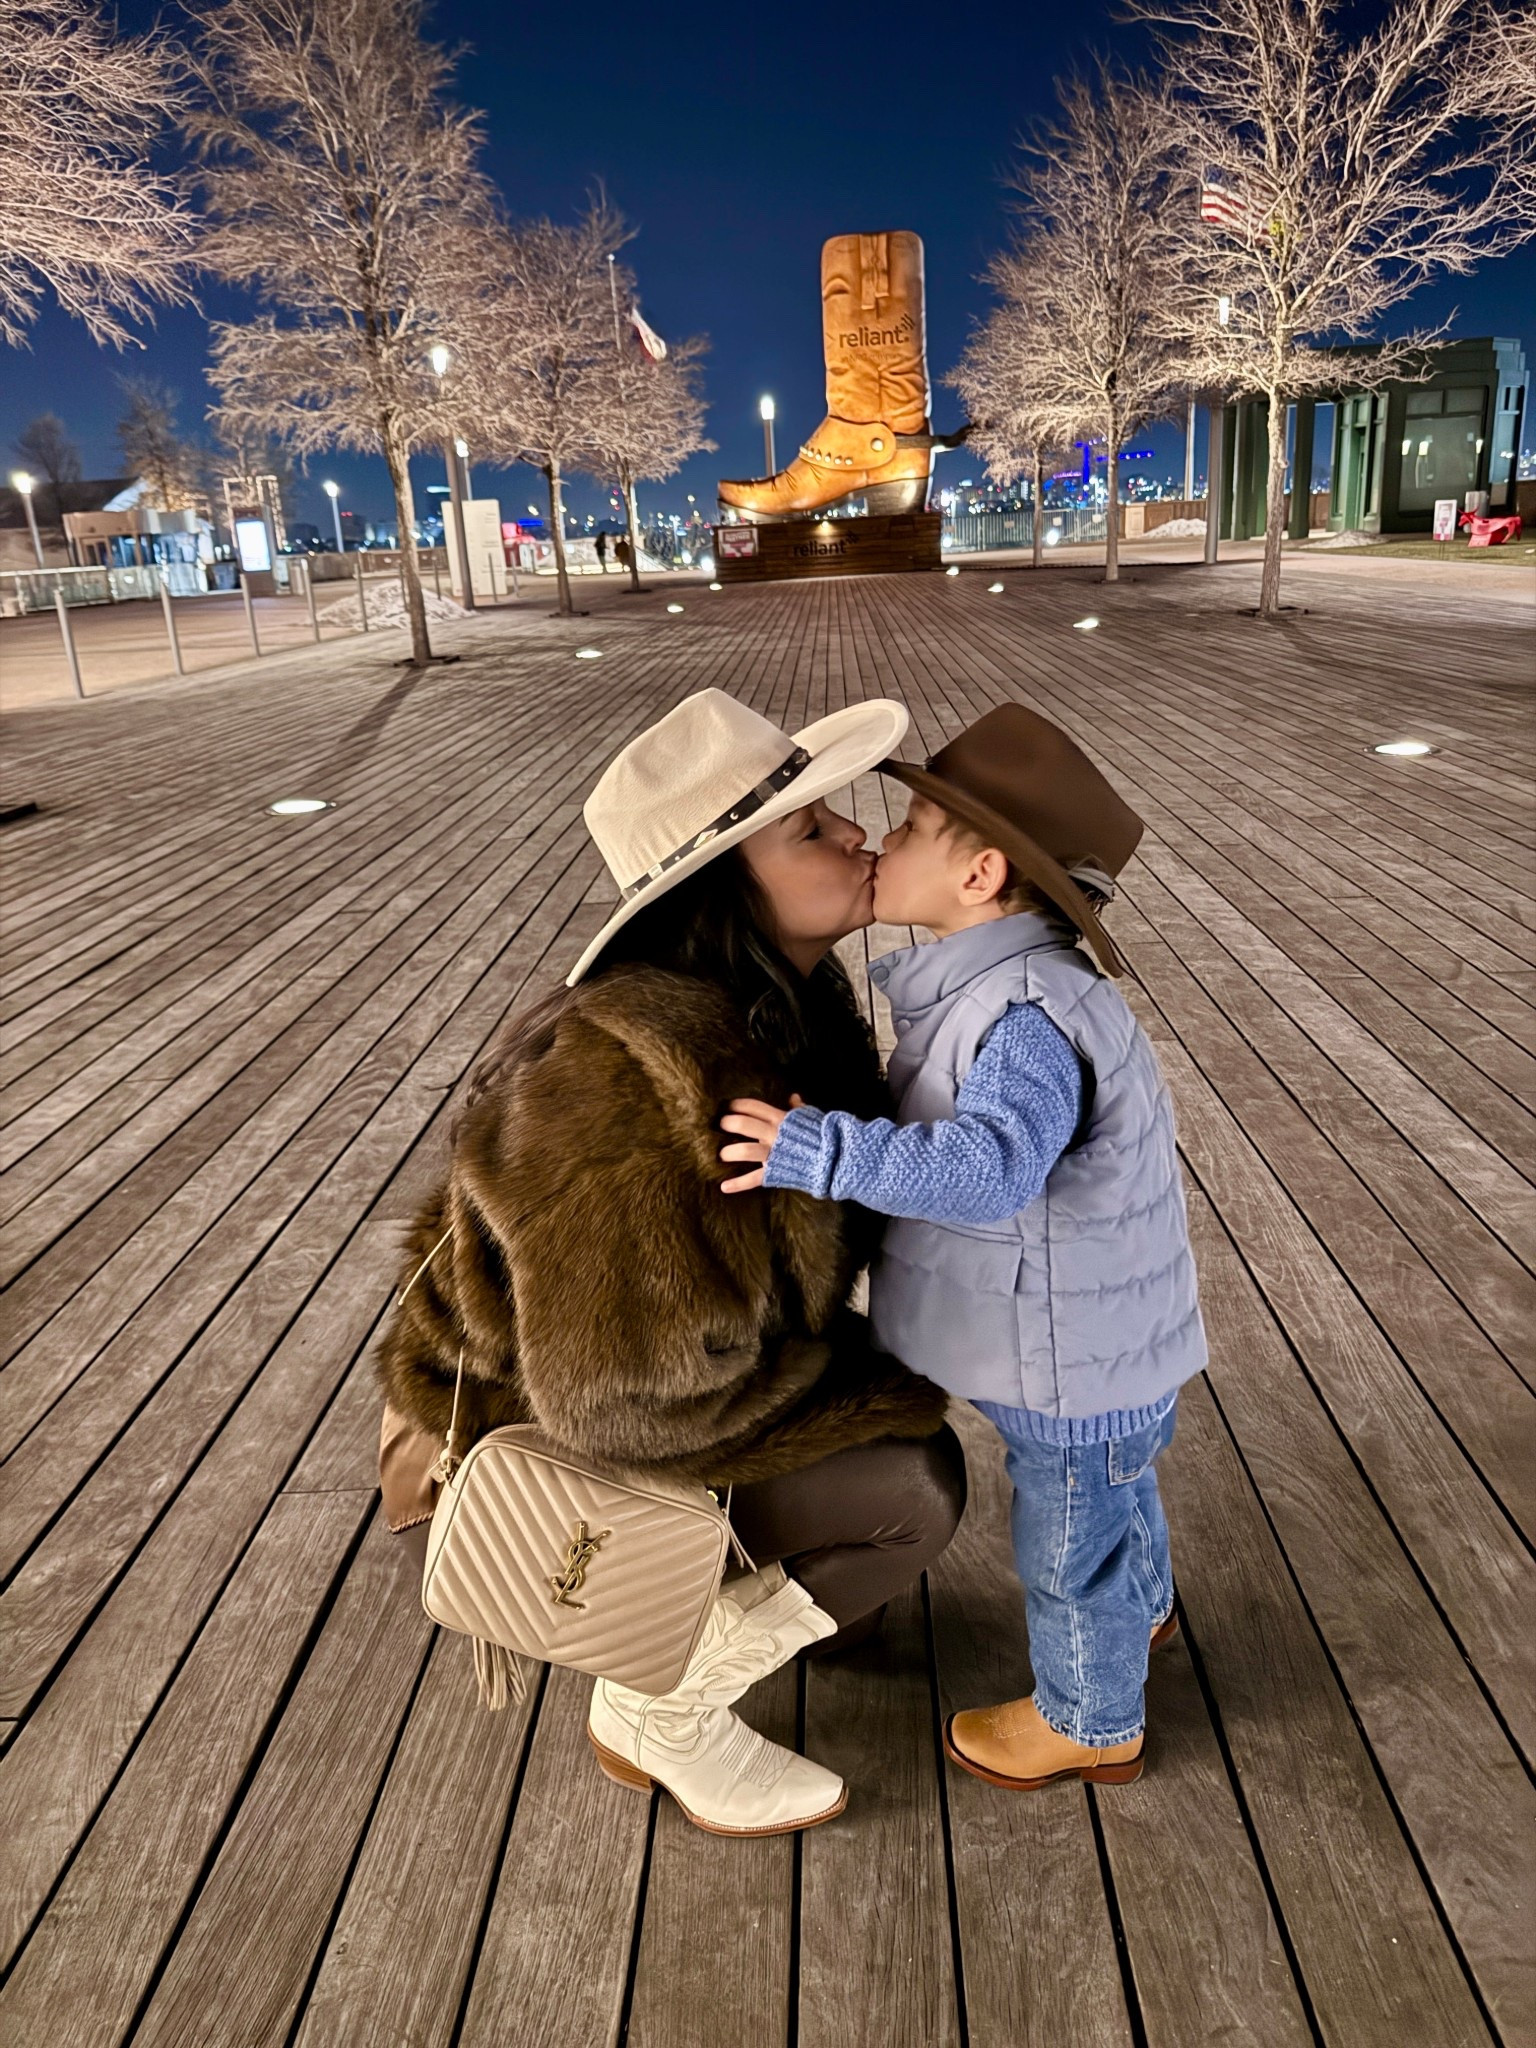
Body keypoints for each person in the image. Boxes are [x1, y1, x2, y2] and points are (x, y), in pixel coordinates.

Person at [376, 687, 966, 1838]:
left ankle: (769, 1597)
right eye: (809, 829)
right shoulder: (623, 1087)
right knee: (914, 1482)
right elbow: (615, 1396)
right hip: (548, 1417)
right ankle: (662, 1711)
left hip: (671, 1371)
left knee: (884, 1473)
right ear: (721, 890)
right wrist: (866, 1388)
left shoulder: (791, 1007)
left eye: (837, 813)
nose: (853, 832)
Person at [718, 704, 1206, 1792]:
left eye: (913, 825)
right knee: (1114, 1490)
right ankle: (1146, 1610)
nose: (880, 840)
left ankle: (1091, 1710)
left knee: (1071, 1536)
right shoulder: (1000, 988)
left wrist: (821, 1150)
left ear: (982, 876)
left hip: (1073, 1352)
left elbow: (988, 1169)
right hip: (1093, 1338)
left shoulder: (1025, 1011)